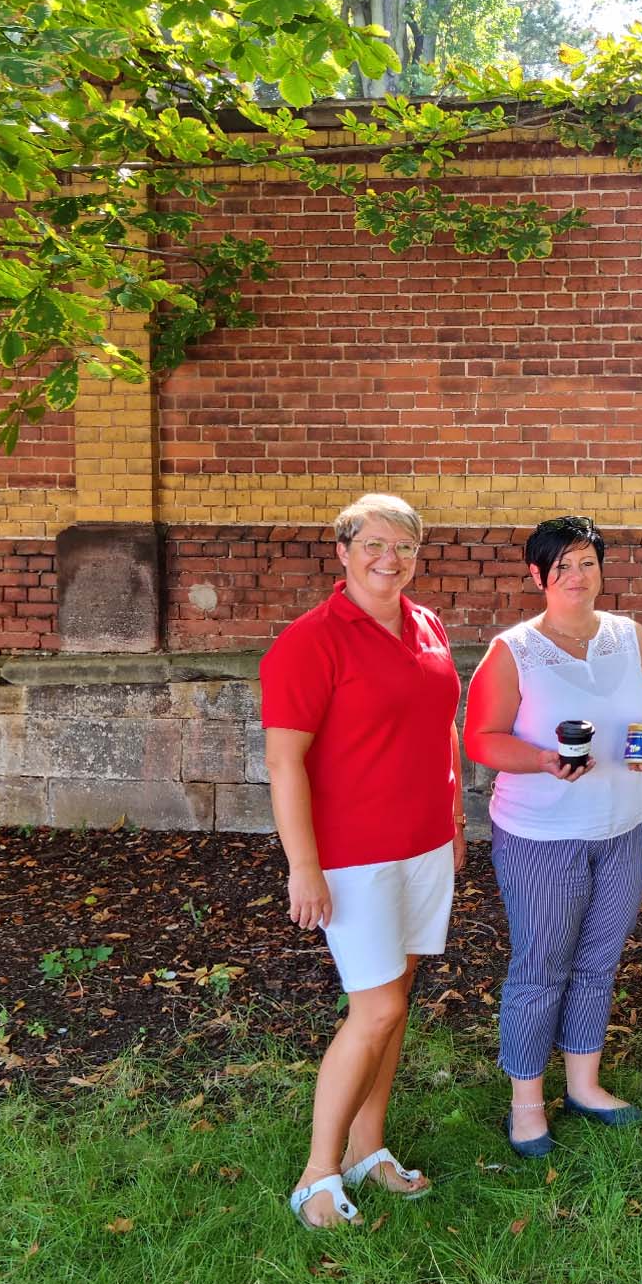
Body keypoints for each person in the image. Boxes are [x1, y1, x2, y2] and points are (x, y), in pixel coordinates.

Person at [261, 493, 467, 1229]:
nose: (391, 559)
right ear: (343, 550)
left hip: (423, 844)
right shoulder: (310, 642)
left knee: (395, 1003)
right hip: (352, 855)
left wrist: (454, 818)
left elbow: (442, 727)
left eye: (405, 547)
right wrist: (302, 866)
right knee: (375, 1006)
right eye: (375, 544)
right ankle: (316, 1176)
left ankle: (368, 1148)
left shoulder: (428, 625)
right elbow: (285, 764)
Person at [462, 516, 642, 1158]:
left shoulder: (630, 636)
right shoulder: (514, 650)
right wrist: (544, 761)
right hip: (541, 834)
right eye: (561, 566)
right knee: (539, 967)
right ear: (537, 575)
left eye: (585, 562)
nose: (575, 577)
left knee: (597, 962)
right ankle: (526, 1106)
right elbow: (481, 739)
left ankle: (584, 1085)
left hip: (625, 827)